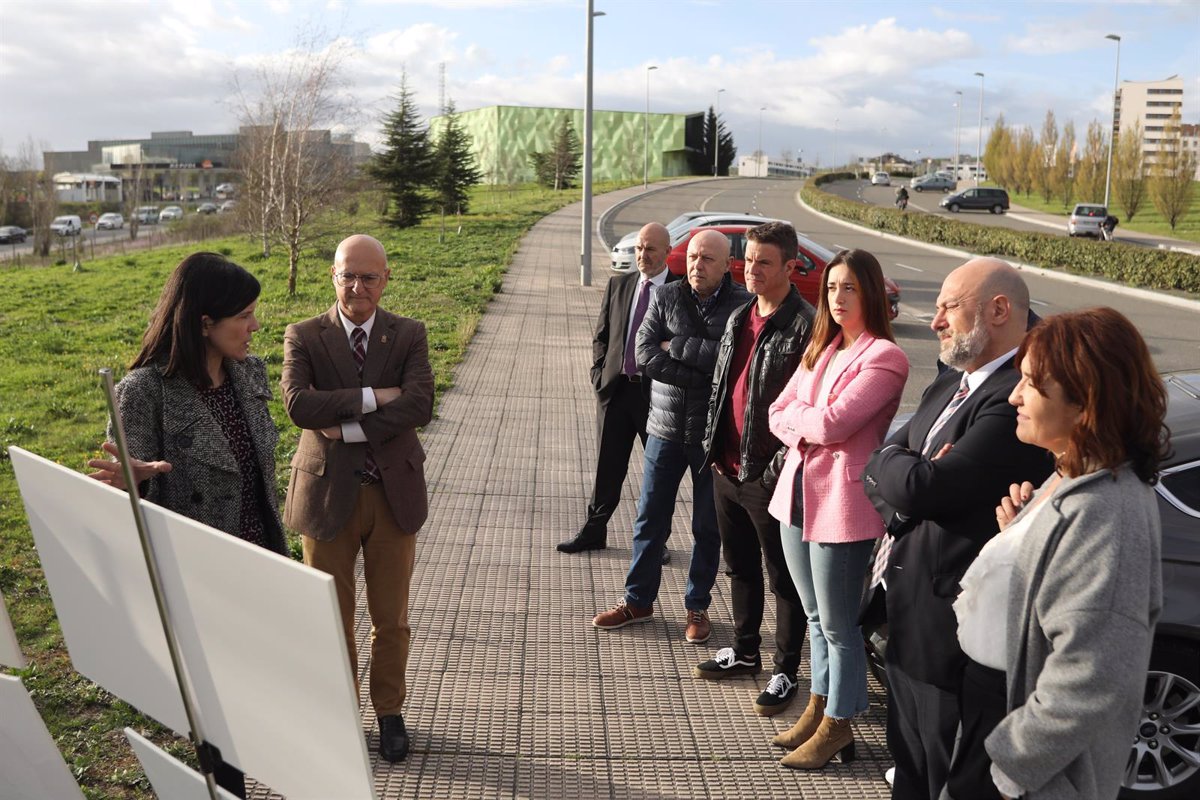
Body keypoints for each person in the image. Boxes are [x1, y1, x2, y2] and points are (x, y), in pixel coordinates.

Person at [87, 251, 288, 798]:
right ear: (204, 322)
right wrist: (141, 481)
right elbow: (118, 495)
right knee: (220, 726)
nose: (255, 326)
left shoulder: (248, 372)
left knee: (256, 703)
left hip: (259, 560)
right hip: (198, 583)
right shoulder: (144, 392)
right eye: (244, 315)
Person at [954, 308, 1167, 800]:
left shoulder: (1108, 510)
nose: (1013, 396)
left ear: (1085, 400)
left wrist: (1010, 766)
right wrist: (1020, 539)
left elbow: (1091, 674)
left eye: (1030, 383)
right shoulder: (1071, 474)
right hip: (995, 716)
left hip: (1026, 763)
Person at [861, 257, 1053, 800]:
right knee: (910, 771)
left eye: (949, 306)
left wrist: (903, 472)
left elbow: (927, 488)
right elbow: (888, 461)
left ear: (998, 311)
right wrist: (900, 472)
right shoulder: (954, 379)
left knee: (943, 777)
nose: (935, 321)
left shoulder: (1015, 398)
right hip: (906, 613)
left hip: (952, 639)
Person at [280, 234, 434, 763]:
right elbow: (300, 406)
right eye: (348, 275)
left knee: (390, 618)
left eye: (368, 276)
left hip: (392, 496)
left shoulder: (408, 334)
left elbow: (419, 404)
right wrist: (373, 398)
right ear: (333, 275)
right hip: (326, 498)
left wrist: (342, 425)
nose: (357, 286)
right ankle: (341, 715)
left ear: (385, 279)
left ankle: (390, 713)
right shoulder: (303, 335)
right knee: (332, 616)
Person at [767, 249, 910, 769]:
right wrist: (808, 419)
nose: (837, 298)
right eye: (831, 288)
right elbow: (775, 414)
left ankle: (839, 723)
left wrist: (805, 420)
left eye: (848, 288)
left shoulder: (885, 359)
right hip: (797, 495)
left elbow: (832, 426)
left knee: (839, 624)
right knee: (814, 615)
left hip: (843, 504)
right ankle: (821, 706)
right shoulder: (822, 349)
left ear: (869, 292)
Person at [592, 229, 750, 643]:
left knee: (706, 526)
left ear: (727, 265)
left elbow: (731, 361)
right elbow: (645, 356)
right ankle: (637, 601)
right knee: (649, 520)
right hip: (663, 428)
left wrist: (676, 344)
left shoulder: (742, 305)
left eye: (708, 259)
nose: (698, 265)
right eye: (693, 257)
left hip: (710, 436)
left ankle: (697, 607)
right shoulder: (666, 297)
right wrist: (701, 371)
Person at [694, 221, 815, 718]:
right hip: (726, 465)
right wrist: (712, 447)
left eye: (764, 262)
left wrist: (773, 470)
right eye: (749, 260)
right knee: (738, 566)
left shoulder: (806, 326)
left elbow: (807, 409)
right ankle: (745, 651)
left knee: (783, 575)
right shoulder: (740, 315)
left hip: (768, 475)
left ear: (789, 267)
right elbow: (725, 387)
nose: (752, 269)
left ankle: (786, 669)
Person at [558, 222, 679, 565]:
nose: (643, 255)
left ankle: (657, 540)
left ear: (667, 252)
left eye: (651, 249)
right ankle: (594, 531)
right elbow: (602, 334)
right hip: (615, 390)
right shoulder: (619, 284)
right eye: (640, 248)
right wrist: (599, 373)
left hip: (658, 397)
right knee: (606, 466)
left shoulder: (678, 291)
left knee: (659, 473)